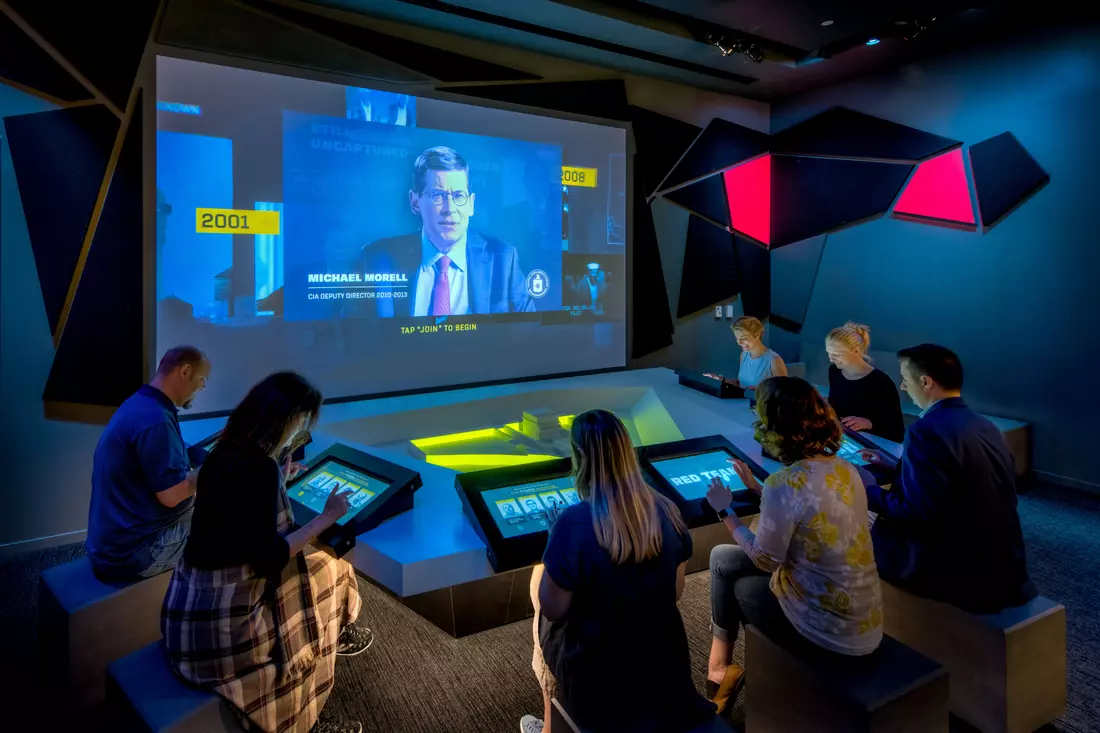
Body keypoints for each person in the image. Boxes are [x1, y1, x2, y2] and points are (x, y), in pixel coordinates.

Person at [162, 372, 373, 733]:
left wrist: (280, 479)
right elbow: (269, 556)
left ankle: (336, 635)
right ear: (285, 421)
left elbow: (237, 515)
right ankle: (308, 715)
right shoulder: (260, 469)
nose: (300, 432)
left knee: (322, 568)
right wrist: (326, 517)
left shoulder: (224, 453)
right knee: (329, 567)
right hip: (225, 633)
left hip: (183, 616)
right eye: (301, 423)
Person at [520, 410, 715, 733]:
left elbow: (553, 609)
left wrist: (552, 545)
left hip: (598, 672)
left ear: (580, 455)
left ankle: (551, 728)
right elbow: (675, 592)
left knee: (539, 589)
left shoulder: (572, 523)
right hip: (661, 654)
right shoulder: (667, 509)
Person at [704, 377, 883, 716]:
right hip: (864, 620)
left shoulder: (785, 484)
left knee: (736, 579)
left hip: (829, 633)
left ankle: (719, 675)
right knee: (722, 558)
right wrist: (760, 489)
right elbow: (812, 510)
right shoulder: (849, 470)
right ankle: (720, 671)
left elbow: (764, 560)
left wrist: (725, 511)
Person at [858, 345, 1037, 614]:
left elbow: (915, 512)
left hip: (954, 571)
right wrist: (896, 466)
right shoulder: (983, 425)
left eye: (906, 380)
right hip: (1004, 565)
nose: (904, 387)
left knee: (855, 526)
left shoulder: (925, 431)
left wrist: (868, 490)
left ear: (926, 382)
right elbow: (957, 483)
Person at [354, 146, 535, 317]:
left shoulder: (503, 259)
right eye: (438, 195)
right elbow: (350, 337)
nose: (450, 208)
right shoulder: (375, 259)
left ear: (471, 204)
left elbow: (529, 333)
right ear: (415, 202)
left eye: (459, 196)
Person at [86, 346, 211, 581]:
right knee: (231, 529)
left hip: (111, 544)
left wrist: (212, 457)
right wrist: (220, 469)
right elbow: (172, 495)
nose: (203, 387)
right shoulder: (156, 421)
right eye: (202, 379)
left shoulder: (143, 404)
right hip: (133, 553)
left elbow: (178, 451)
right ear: (185, 371)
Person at [826, 322, 905, 443]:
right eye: (829, 353)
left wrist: (869, 423)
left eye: (836, 354)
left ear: (856, 350)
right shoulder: (834, 371)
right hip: (843, 438)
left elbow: (896, 430)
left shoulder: (881, 382)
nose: (831, 359)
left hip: (872, 444)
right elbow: (833, 406)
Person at [705, 316, 787, 391]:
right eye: (737, 338)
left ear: (757, 335)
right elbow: (740, 384)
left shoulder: (774, 361)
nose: (739, 342)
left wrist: (762, 391)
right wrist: (719, 379)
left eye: (744, 338)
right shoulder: (744, 355)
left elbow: (784, 394)